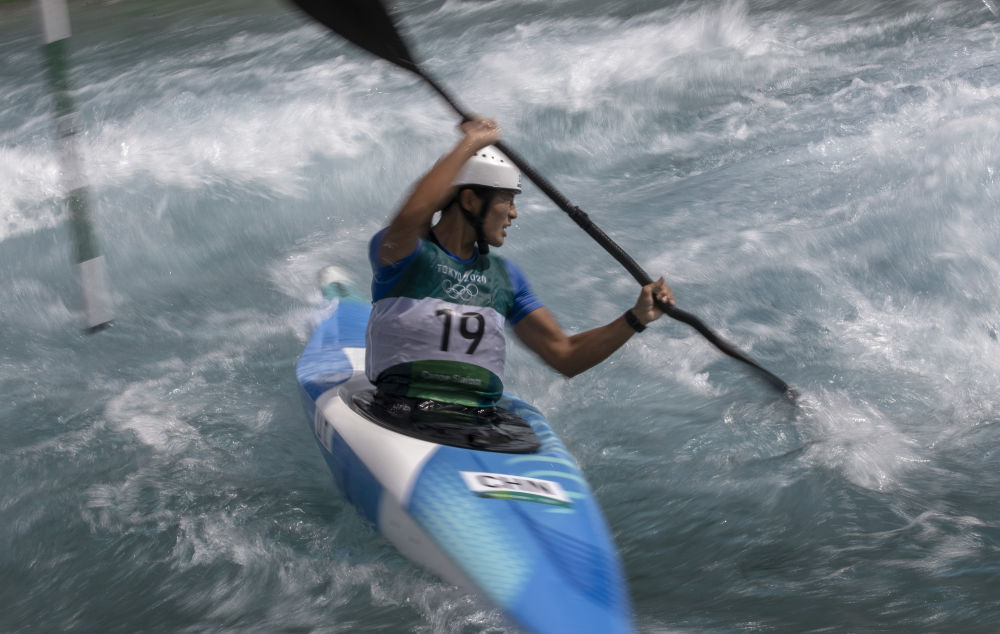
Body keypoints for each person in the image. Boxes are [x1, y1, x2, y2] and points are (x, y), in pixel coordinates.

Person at [365, 117, 674, 412]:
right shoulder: (405, 253)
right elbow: (412, 213)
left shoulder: (506, 278)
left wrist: (636, 318)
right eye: (508, 200)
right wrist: (471, 143)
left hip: (476, 420)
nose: (514, 213)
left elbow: (565, 356)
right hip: (401, 408)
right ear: (471, 200)